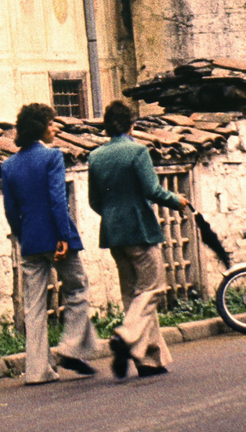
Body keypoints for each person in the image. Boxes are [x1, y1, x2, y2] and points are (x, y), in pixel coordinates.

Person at [86, 100, 195, 379]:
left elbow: (94, 200)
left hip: (113, 233)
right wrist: (177, 200)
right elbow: (152, 190)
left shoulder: (96, 156)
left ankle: (148, 360)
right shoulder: (137, 151)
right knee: (152, 289)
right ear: (132, 124)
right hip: (140, 230)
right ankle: (125, 335)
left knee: (133, 295)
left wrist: (113, 214)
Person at [0, 102, 101, 384]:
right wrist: (63, 237)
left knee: (33, 306)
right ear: (41, 128)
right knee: (77, 288)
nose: (55, 127)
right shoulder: (52, 158)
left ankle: (37, 370)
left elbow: (10, 210)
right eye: (51, 123)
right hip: (57, 239)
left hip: (30, 241)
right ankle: (70, 347)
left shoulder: (8, 166)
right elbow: (58, 200)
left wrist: (22, 235)